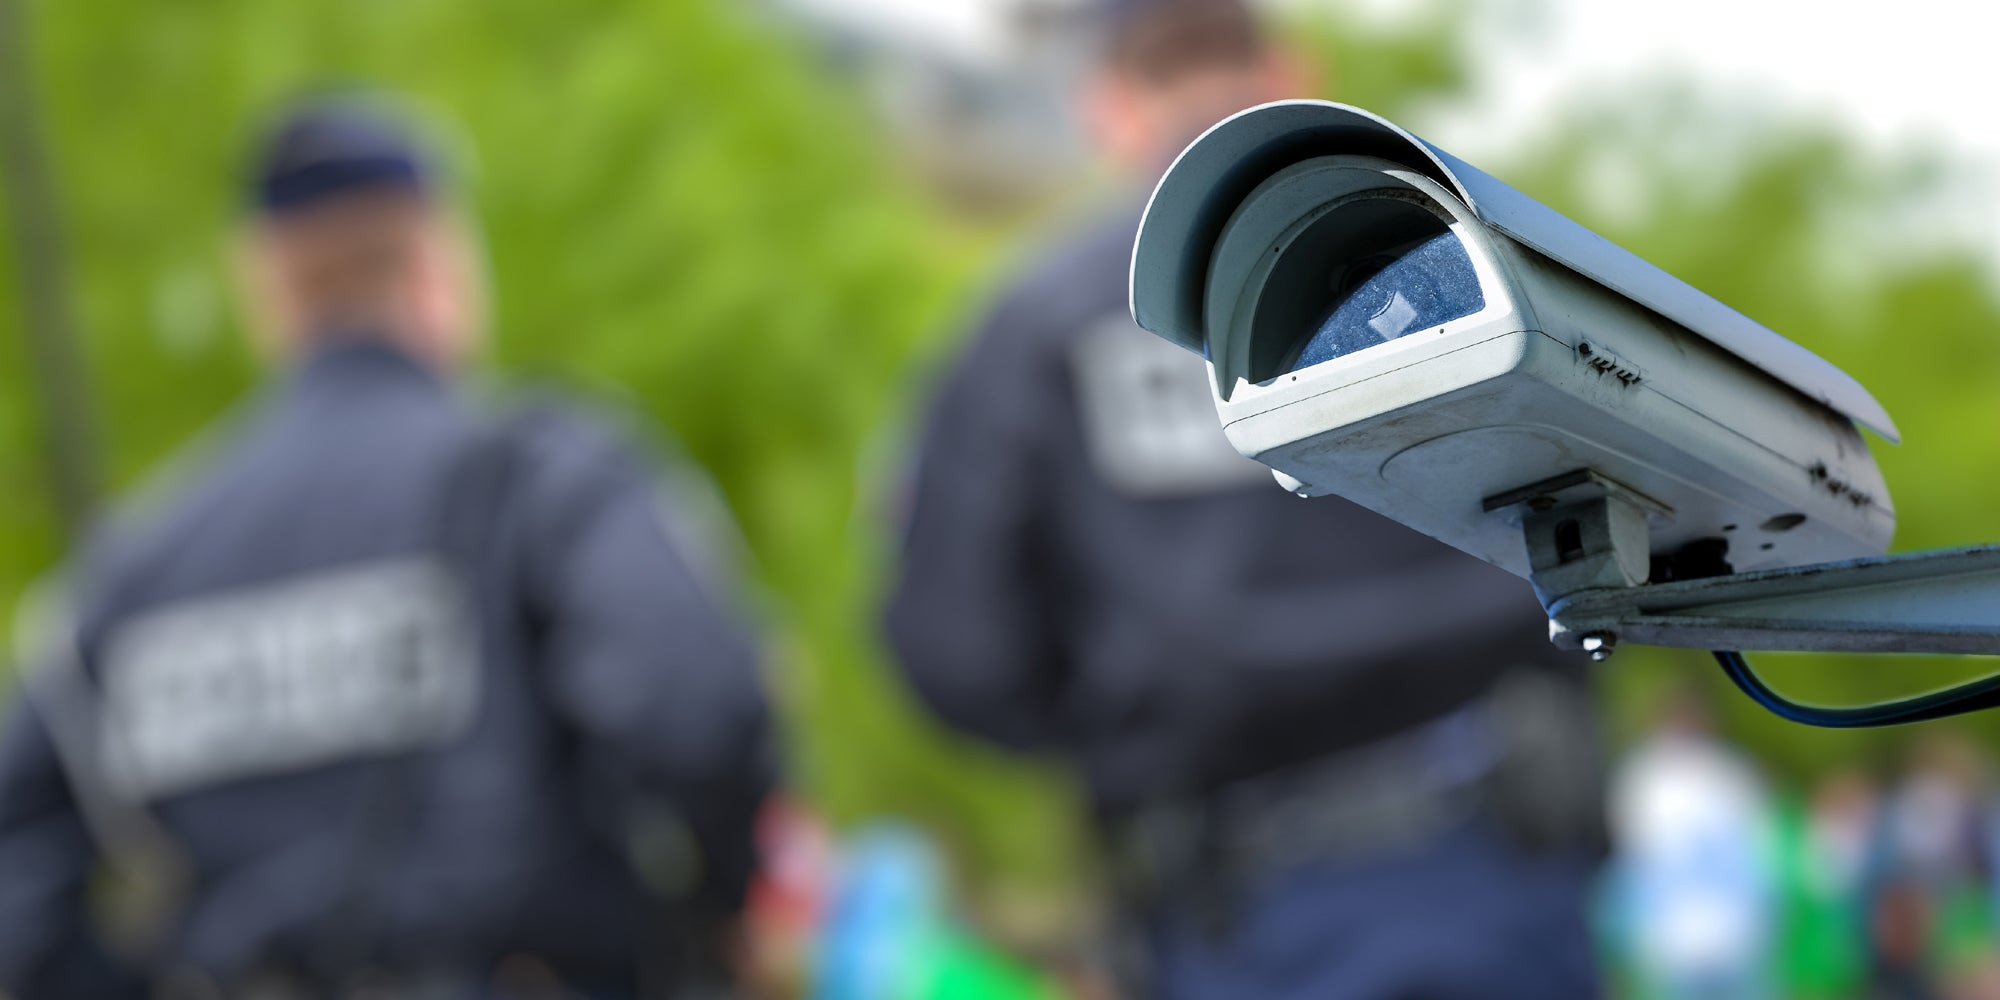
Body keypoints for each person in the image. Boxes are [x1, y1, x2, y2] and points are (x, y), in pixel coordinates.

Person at [883, 2, 1602, 997]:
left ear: (1109, 107)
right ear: (1291, 75)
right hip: (1500, 861)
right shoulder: (1478, 269)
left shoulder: (1033, 326)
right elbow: (1626, 515)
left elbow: (954, 649)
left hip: (1233, 900)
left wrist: (1126, 720)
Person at [0, 95, 773, 998]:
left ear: (268, 291)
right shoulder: (543, 482)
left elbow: (16, 873)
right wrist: (710, 920)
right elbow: (699, 703)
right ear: (439, 270)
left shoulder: (131, 573)